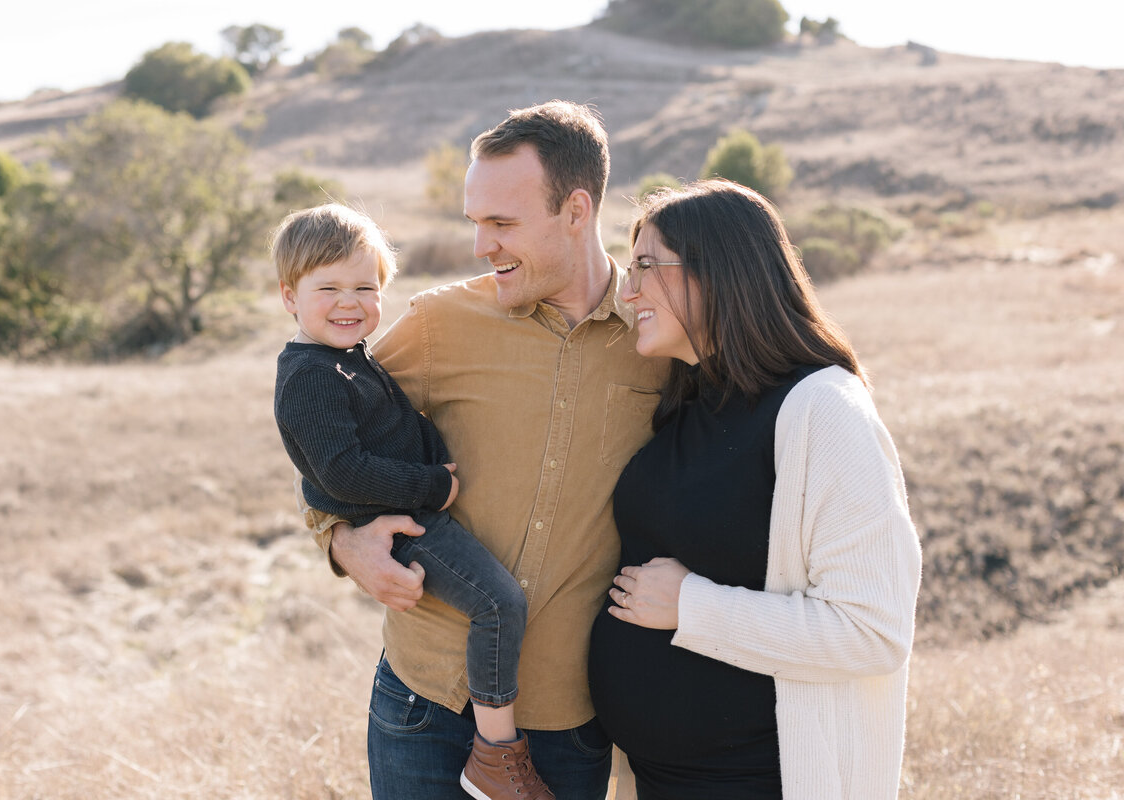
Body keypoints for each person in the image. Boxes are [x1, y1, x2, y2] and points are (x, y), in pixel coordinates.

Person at [304, 101, 667, 800]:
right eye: (476, 222)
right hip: (425, 702)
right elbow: (324, 436)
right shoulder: (441, 323)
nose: (481, 246)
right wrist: (342, 540)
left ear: (576, 211)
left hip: (567, 719)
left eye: (501, 223)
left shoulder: (659, 340)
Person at [587, 179, 922, 800]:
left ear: (718, 273)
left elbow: (874, 630)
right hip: (661, 780)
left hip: (762, 781)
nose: (627, 291)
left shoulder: (823, 410)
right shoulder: (688, 396)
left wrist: (694, 607)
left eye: (645, 267)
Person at [271, 203, 557, 799]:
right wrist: (434, 486)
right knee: (499, 603)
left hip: (410, 512)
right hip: (406, 523)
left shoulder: (346, 360)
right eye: (328, 288)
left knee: (497, 601)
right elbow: (339, 473)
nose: (350, 302)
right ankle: (497, 755)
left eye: (365, 287)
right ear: (288, 296)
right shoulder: (311, 376)